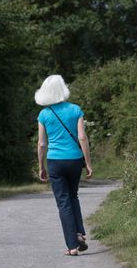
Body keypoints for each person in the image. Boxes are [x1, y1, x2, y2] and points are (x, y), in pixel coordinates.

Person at [35, 74, 93, 256]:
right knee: (73, 196)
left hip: (55, 161)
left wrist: (41, 166)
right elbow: (82, 137)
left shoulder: (44, 114)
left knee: (63, 202)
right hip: (75, 160)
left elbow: (42, 143)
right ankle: (79, 233)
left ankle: (72, 246)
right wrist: (88, 163)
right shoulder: (75, 110)